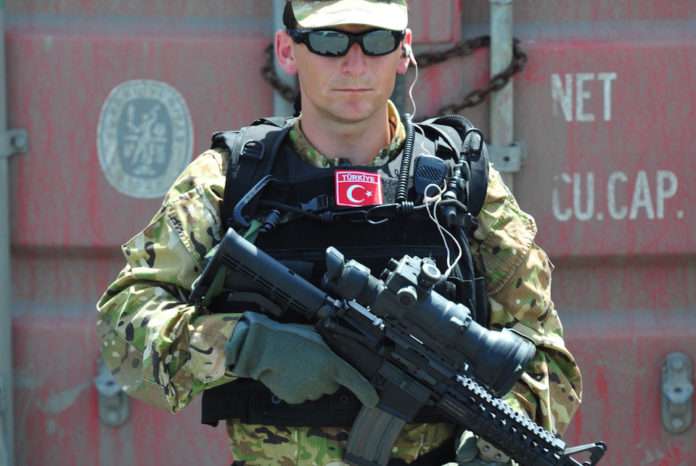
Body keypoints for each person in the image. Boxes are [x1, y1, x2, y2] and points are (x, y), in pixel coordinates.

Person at [96, 1, 583, 465]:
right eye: (329, 41)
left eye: (376, 41)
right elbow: (124, 328)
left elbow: (547, 362)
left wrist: (487, 453)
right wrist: (244, 345)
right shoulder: (231, 181)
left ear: (404, 50)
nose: (354, 64)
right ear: (288, 50)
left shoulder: (459, 186)